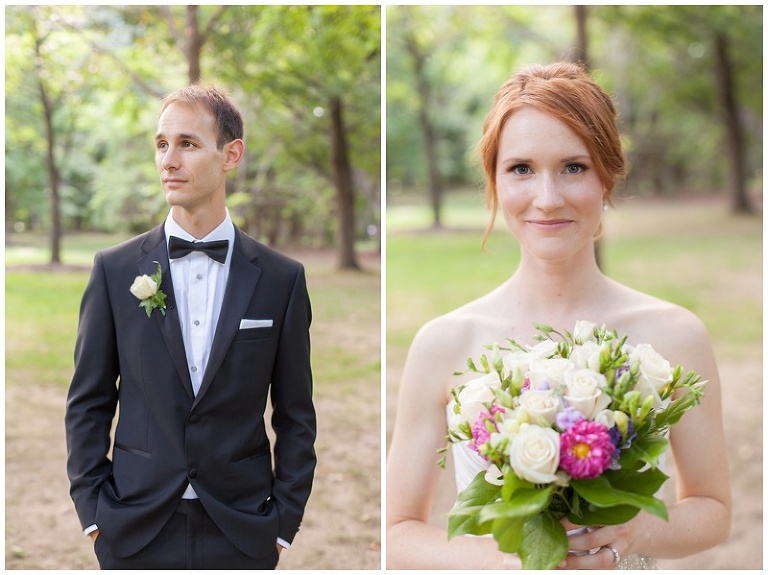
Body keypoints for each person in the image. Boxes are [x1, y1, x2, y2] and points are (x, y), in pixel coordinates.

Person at [386, 62, 731, 569]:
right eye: (521, 169)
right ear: (495, 183)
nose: (547, 200)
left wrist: (634, 534)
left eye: (574, 167)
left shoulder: (675, 335)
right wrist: (516, 561)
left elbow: (714, 510)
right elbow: (397, 533)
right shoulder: (443, 344)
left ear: (608, 176)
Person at [65, 85, 317, 569]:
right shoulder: (114, 271)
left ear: (231, 154)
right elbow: (88, 402)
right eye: (161, 144)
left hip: (242, 528)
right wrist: (94, 515)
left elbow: (295, 414)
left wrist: (283, 523)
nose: (169, 160)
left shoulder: (282, 280)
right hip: (134, 526)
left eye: (188, 143)